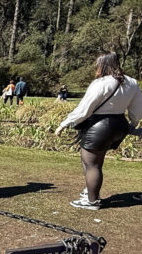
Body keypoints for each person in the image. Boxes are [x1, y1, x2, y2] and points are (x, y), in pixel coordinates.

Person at [55, 52, 142, 209]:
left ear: (102, 64)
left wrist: (65, 123)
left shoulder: (101, 83)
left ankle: (92, 200)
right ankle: (90, 190)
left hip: (100, 125)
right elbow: (137, 109)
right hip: (119, 124)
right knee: (95, 160)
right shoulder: (132, 82)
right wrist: (133, 124)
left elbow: (85, 109)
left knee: (91, 163)